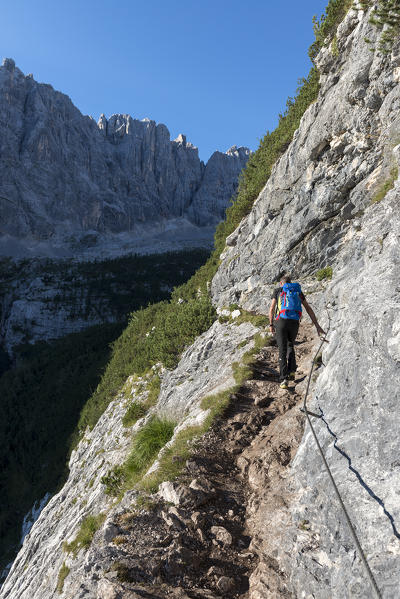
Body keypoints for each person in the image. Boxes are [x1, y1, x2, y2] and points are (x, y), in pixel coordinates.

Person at [268, 274, 326, 389]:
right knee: (290, 345)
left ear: (281, 283)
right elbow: (308, 308)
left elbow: (272, 308)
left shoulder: (278, 291)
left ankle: (284, 379)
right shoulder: (297, 291)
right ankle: (292, 372)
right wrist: (317, 326)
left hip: (281, 321)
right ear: (290, 283)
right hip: (294, 322)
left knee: (282, 350)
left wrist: (271, 324)